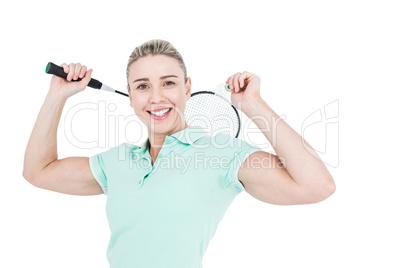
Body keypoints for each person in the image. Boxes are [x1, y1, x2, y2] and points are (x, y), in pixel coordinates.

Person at [23, 39, 336, 267]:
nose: (157, 97)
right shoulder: (118, 161)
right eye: (143, 86)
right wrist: (57, 96)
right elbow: (38, 171)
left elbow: (316, 186)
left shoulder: (219, 154)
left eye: (168, 83)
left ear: (187, 88)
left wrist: (254, 104)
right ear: (130, 96)